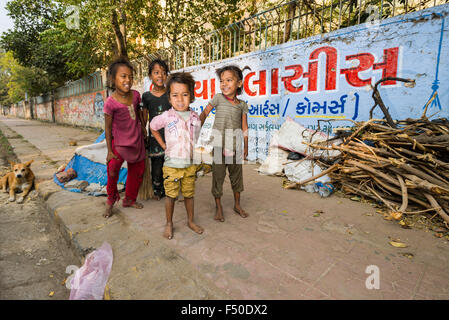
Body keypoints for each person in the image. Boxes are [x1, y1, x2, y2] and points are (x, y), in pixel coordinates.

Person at [150, 72, 203, 239]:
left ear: (192, 96)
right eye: (175, 95)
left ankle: (190, 220)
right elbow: (152, 126)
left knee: (189, 195)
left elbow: (195, 137)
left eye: (185, 94)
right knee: (171, 196)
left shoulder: (195, 117)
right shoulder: (167, 116)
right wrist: (164, 145)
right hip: (172, 166)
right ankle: (169, 223)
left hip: (189, 165)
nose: (180, 99)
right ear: (169, 98)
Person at [199, 65, 249, 222]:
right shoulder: (218, 98)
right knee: (218, 178)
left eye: (229, 80)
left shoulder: (242, 105)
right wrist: (195, 127)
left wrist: (246, 146)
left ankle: (237, 205)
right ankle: (218, 207)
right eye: (222, 81)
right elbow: (205, 113)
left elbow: (244, 127)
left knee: (237, 178)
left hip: (234, 148)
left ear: (239, 83)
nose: (224, 84)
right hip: (219, 145)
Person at [103, 58, 147, 218]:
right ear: (113, 79)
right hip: (120, 145)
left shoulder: (136, 96)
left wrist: (143, 129)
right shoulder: (110, 103)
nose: (128, 80)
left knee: (137, 172)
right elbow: (107, 128)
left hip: (137, 142)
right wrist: (109, 150)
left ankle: (129, 199)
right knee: (113, 171)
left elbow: (138, 116)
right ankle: (110, 200)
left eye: (130, 76)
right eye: (123, 76)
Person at [141, 59, 171, 200]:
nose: (160, 76)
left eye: (164, 73)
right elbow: (144, 117)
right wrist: (144, 133)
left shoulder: (171, 94)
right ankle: (157, 189)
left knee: (170, 163)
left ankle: (169, 188)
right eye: (156, 73)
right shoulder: (146, 96)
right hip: (154, 137)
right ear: (150, 76)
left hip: (171, 136)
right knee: (157, 164)